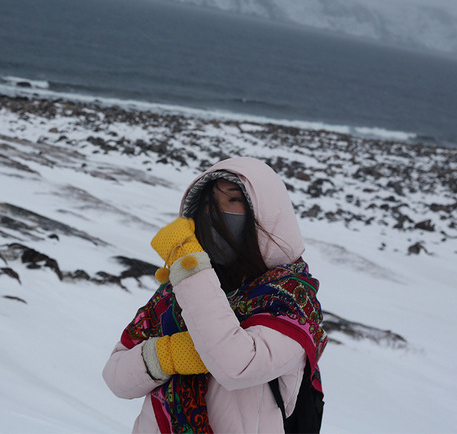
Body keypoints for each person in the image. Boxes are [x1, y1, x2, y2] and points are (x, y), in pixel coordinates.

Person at [103, 157, 327, 433]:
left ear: (267, 213)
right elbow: (115, 377)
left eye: (233, 200)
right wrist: (164, 356)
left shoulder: (291, 301)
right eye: (209, 204)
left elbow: (236, 365)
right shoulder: (178, 292)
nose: (218, 213)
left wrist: (190, 267)